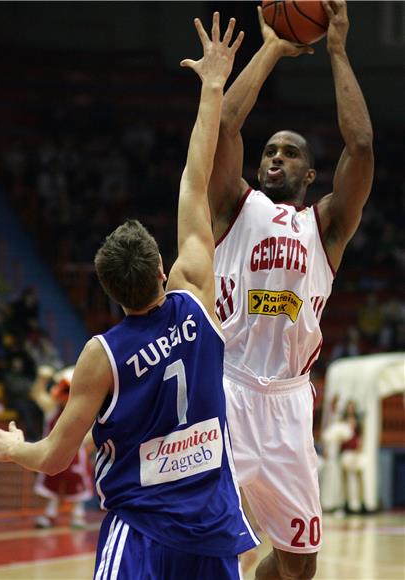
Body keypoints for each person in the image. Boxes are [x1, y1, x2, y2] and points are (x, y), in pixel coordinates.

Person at [0, 13, 260, 579]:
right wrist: (211, 86)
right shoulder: (196, 296)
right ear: (161, 269)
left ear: (108, 291)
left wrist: (13, 448)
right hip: (210, 528)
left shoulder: (101, 355)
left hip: (144, 531)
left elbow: (54, 458)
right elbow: (194, 180)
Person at [207, 1, 374, 578]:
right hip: (225, 387)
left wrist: (335, 50)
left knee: (298, 566)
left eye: (291, 152)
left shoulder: (323, 226)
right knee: (208, 545)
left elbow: (362, 149)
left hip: (289, 402)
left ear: (309, 176)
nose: (276, 156)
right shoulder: (234, 206)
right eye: (270, 151)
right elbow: (224, 124)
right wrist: (274, 48)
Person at [30, 365, 93, 529]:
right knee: (52, 482)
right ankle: (50, 514)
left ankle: (78, 515)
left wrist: (81, 441)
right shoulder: (53, 408)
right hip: (54, 452)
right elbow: (37, 394)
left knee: (76, 483)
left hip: (76, 455)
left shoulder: (84, 410)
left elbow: (92, 432)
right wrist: (42, 379)